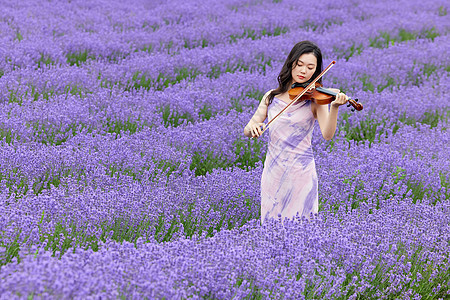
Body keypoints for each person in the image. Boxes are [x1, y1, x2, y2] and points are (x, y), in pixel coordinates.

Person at [243, 40, 349, 224]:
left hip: (301, 175)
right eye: (299, 65)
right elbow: (249, 127)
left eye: (310, 67)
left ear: (316, 71)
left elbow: (327, 134)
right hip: (273, 173)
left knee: (302, 230)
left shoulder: (315, 100)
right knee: (271, 228)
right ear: (291, 64)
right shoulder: (271, 97)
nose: (303, 71)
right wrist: (252, 129)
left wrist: (335, 108)